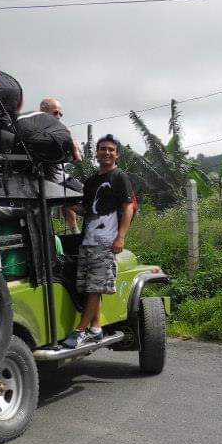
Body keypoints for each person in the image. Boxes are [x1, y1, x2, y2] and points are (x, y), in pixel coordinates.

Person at [62, 134, 135, 349]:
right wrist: (67, 203)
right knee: (89, 286)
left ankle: (80, 331)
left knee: (94, 288)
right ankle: (96, 328)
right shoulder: (93, 181)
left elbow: (127, 207)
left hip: (106, 241)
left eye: (111, 150)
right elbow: (87, 209)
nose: (107, 152)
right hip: (88, 239)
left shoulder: (119, 177)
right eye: (103, 149)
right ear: (97, 153)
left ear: (117, 155)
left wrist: (120, 236)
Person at [38, 97, 83, 233]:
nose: (58, 117)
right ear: (43, 111)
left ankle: (74, 232)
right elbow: (77, 157)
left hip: (55, 179)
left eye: (60, 114)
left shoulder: (59, 129)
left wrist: (74, 149)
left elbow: (77, 156)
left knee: (73, 201)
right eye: (55, 113)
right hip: (49, 180)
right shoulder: (37, 129)